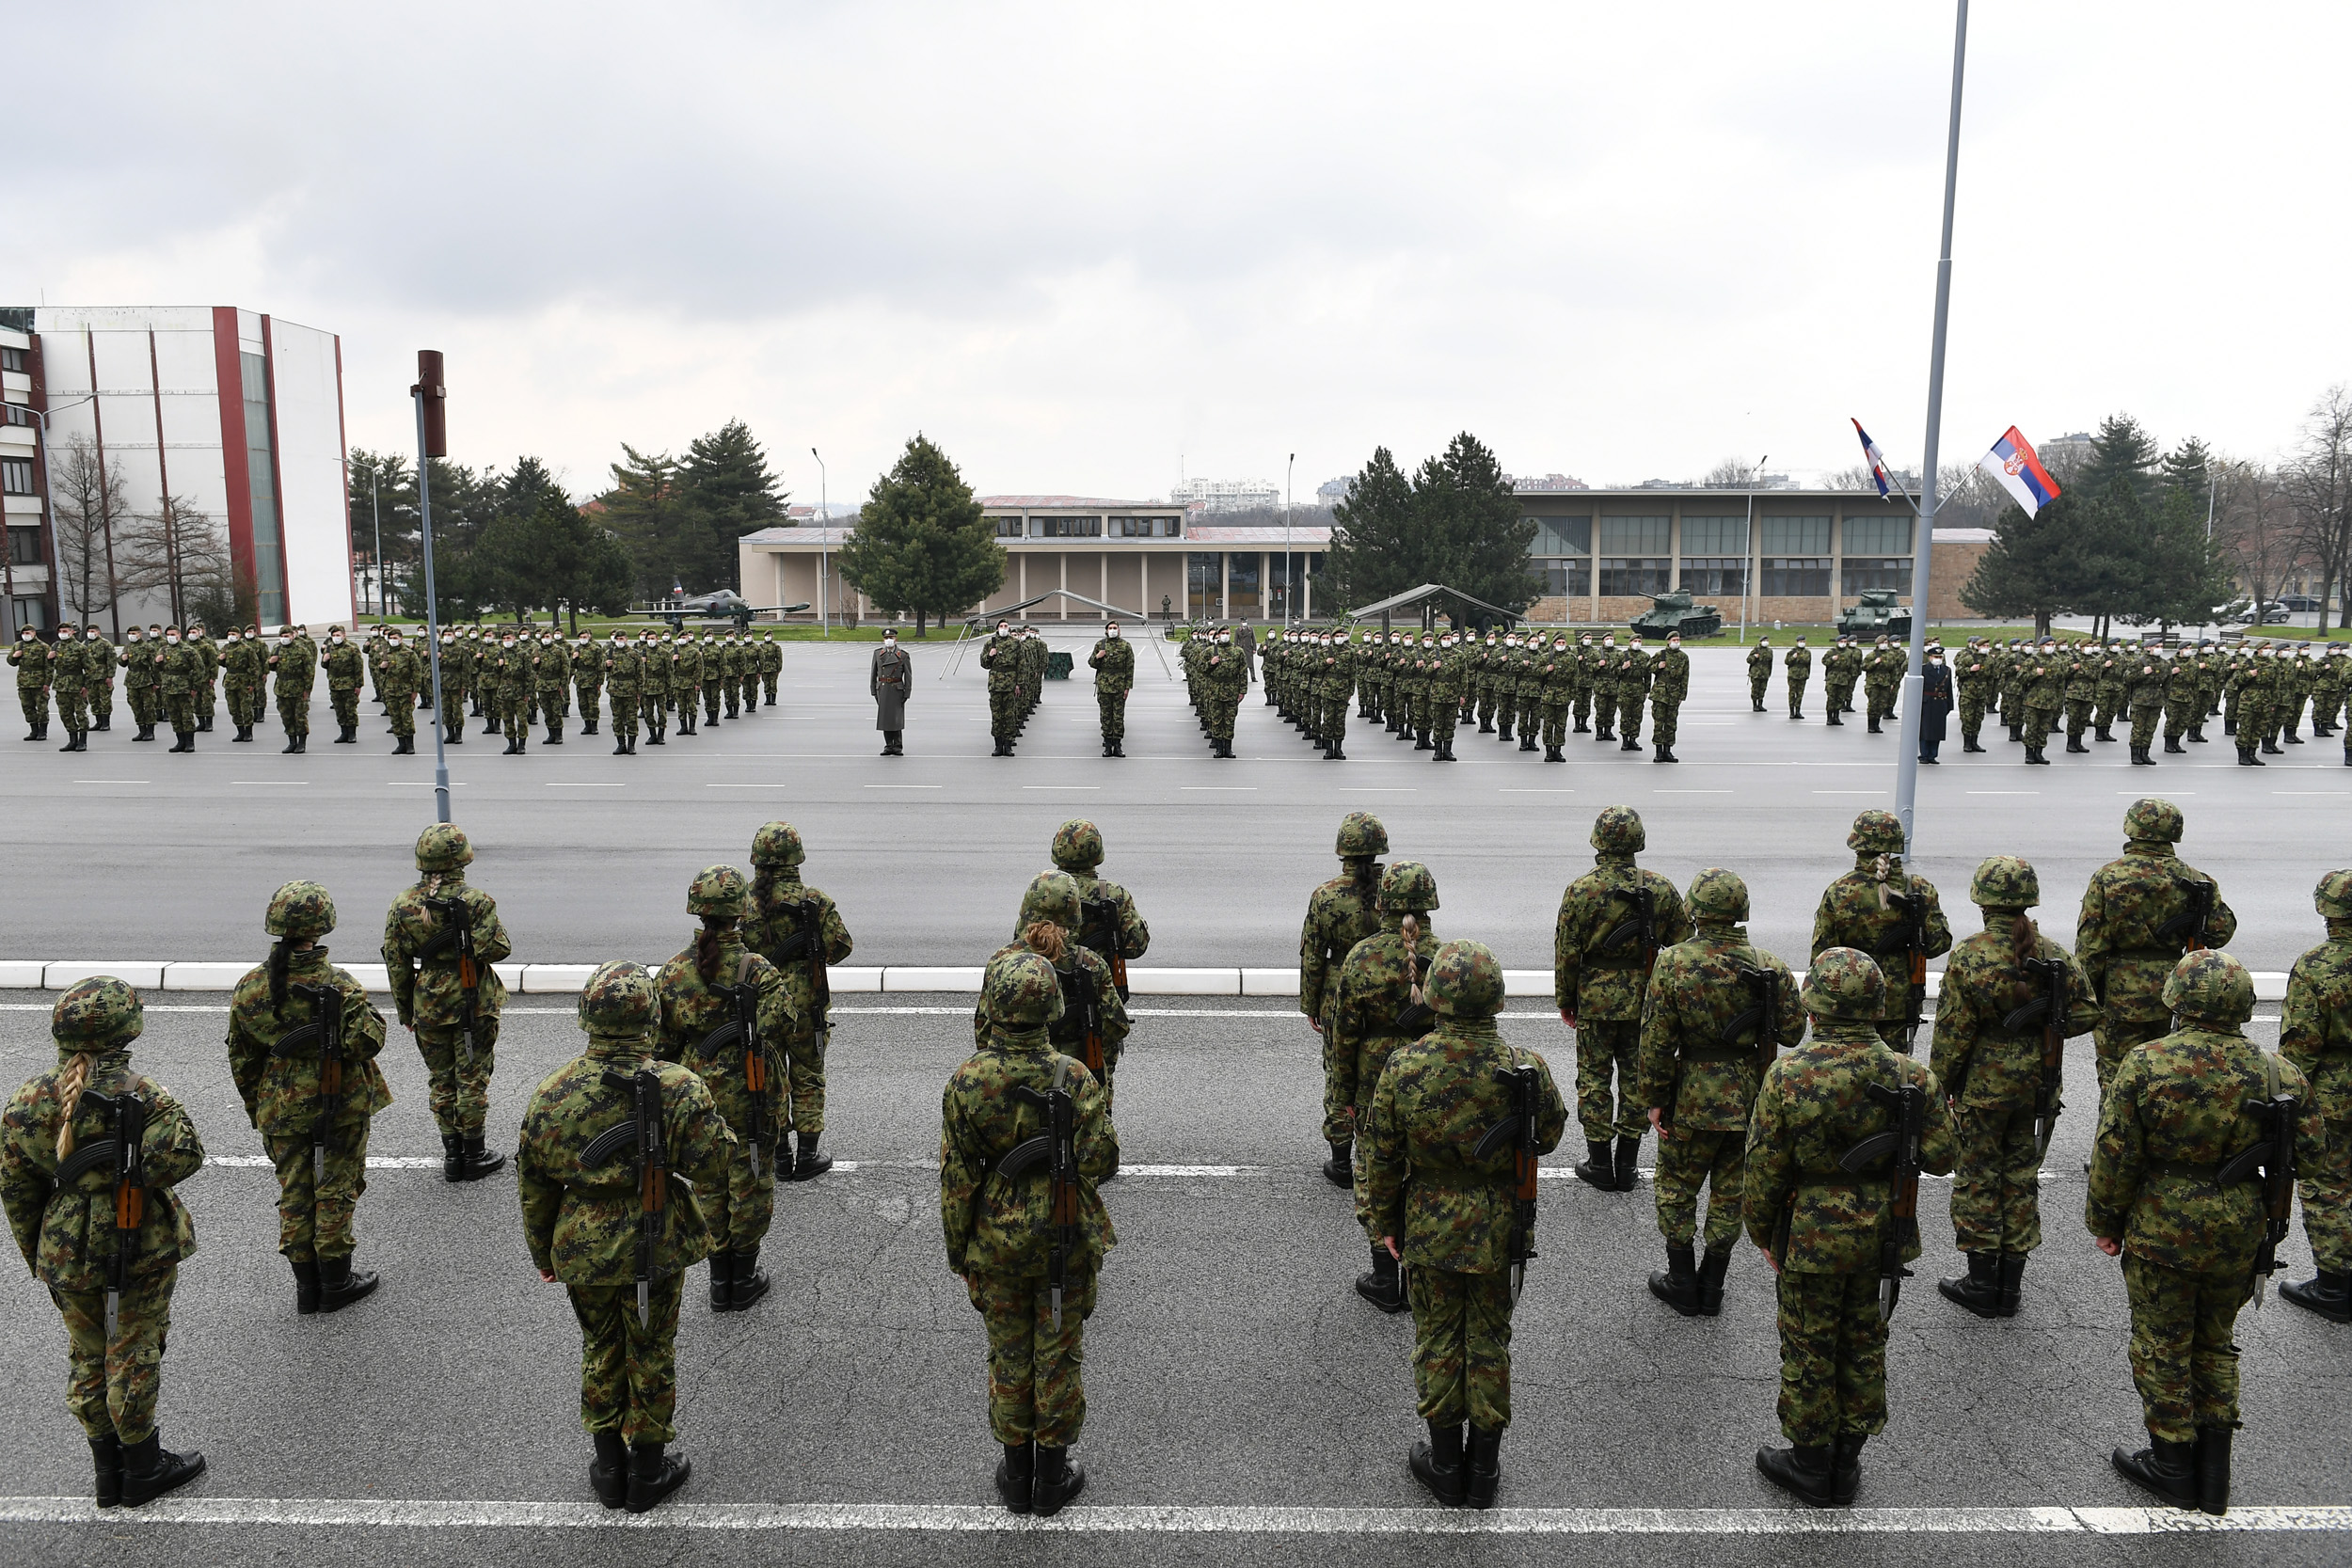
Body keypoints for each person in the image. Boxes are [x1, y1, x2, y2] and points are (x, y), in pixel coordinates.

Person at [2090, 949, 2323, 1516]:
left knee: (2162, 1343)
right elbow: (2313, 1155)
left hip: (2160, 1222)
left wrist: (2105, 1221)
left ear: (2177, 998)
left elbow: (2115, 1153)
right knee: (2215, 1342)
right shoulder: (2276, 1072)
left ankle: (2172, 1464)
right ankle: (2214, 1474)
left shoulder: (2146, 1062)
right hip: (2241, 1227)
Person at [1744, 947, 1958, 1508]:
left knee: (1809, 1345)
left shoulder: (1789, 1073)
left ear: (1813, 1005)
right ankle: (1847, 1460)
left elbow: (1765, 1165)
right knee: (1865, 1342)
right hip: (1883, 1232)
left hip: (1809, 1233)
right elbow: (1942, 1155)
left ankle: (1810, 1463)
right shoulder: (1911, 1075)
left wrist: (1764, 1233)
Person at [518, 959, 734, 1513]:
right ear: (652, 1016)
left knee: (600, 1346)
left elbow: (535, 1183)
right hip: (655, 1233)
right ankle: (648, 1469)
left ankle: (609, 1465)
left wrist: (543, 1250)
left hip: (583, 1242)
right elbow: (713, 1164)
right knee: (652, 1347)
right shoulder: (679, 1086)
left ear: (587, 1015)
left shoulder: (552, 1091)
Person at [1362, 939, 1565, 1510]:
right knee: (1490, 1340)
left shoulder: (1404, 1065)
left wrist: (1385, 1222)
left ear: (1435, 998)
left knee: (1438, 1340)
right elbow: (1547, 1137)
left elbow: (1380, 1153)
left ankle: (1445, 1462)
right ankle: (1485, 1471)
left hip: (1427, 1221)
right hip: (1501, 1226)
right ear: (1495, 999)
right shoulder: (1523, 1066)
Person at [0, 976, 208, 1509]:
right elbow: (184, 1157)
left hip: (65, 1249)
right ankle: (142, 1467)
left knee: (90, 1354)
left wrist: (40, 1261)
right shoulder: (143, 1093)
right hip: (138, 1238)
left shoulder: (26, 1100)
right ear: (126, 1028)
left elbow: (18, 1192)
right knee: (133, 1349)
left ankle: (106, 1470)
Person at [940, 948, 1118, 1518]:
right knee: (1059, 1354)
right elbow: (1103, 1160)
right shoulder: (1075, 1076)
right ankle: (1052, 1476)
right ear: (1052, 1006)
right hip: (1064, 1236)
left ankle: (1016, 1477)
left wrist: (959, 1254)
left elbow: (957, 1181)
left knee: (1009, 1356)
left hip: (994, 1241)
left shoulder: (967, 1081)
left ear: (993, 1005)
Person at [1928, 855, 2093, 1318]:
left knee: (1979, 1177)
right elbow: (2088, 1012)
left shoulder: (1971, 954)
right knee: (2020, 1180)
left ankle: (1982, 1284)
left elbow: (1953, 1031)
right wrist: (2045, 1021)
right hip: (2040, 1085)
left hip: (1983, 1088)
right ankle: (2010, 1287)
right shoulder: (2054, 953)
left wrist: (1940, 1083)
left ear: (1982, 901)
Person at [1635, 868, 1803, 1318]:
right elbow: (1792, 1032)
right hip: (1751, 1097)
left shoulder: (1673, 963)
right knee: (1731, 1193)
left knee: (1676, 1189)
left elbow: (1655, 1038)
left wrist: (1653, 1098)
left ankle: (1681, 1280)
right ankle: (1712, 1286)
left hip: (1689, 1096)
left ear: (1694, 910)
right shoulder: (1768, 965)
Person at [226, 880, 392, 1315]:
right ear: (322, 926)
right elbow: (368, 1041)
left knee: (295, 1193)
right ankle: (336, 1283)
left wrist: (257, 1111)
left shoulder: (250, 987)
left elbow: (242, 1060)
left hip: (280, 1109)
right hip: (339, 1104)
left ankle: (306, 1288)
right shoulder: (336, 982)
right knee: (334, 1191)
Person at [657, 867, 794, 1312]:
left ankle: (720, 1280)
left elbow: (662, 1047)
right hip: (754, 1089)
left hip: (698, 1095)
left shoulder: (675, 971)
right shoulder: (757, 969)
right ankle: (744, 1273)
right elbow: (786, 1025)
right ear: (741, 913)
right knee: (751, 1180)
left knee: (709, 1181)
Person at [1554, 806, 1692, 1193]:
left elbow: (1567, 951)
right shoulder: (1661, 888)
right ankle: (1627, 1164)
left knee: (1594, 1079)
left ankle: (1600, 1163)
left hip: (1595, 1001)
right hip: (1645, 1001)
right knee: (1636, 1078)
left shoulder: (1581, 889)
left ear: (1598, 841)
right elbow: (1683, 948)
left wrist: (1566, 999)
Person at [1327, 861, 1440, 1311]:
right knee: (1424, 1171)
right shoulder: (1451, 957)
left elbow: (1344, 1035)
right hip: (1433, 1080)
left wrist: (1344, 1095)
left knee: (1374, 1169)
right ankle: (1418, 1273)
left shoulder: (1361, 957)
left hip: (1375, 1081)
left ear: (1383, 902)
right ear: (1430, 901)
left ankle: (1384, 1275)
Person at [2074, 799, 2237, 1105]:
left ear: (2131, 828)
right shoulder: (2196, 879)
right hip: (2176, 992)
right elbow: (2221, 931)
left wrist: (2091, 998)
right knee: (2171, 1083)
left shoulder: (2108, 877)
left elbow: (2090, 947)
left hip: (2120, 995)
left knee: (2117, 1082)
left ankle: (2116, 1148)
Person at [383, 824, 513, 1182]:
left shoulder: (403, 904)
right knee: (471, 1077)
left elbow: (396, 962)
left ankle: (452, 1155)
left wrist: (406, 1011)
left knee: (441, 1079)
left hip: (428, 1004)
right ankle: (474, 1154)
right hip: (474, 1001)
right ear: (463, 858)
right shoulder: (477, 901)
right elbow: (498, 949)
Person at [976, 873, 1132, 1140]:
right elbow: (1116, 1028)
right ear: (1074, 914)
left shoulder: (1002, 961)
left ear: (1027, 911)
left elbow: (983, 1032)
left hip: (1012, 1085)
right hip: (1075, 1080)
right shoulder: (1091, 964)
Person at [745, 821, 855, 1179]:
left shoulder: (745, 902)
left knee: (768, 1079)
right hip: (807, 1005)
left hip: (762, 1004)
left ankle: (779, 1157)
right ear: (796, 859)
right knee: (808, 1075)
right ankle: (807, 1157)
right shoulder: (814, 901)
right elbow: (841, 948)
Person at [1809, 811, 1952, 1053]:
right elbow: (1940, 942)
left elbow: (1822, 957)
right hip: (1899, 1004)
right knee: (1894, 1072)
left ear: (1857, 844)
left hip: (1849, 1001)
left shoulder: (1840, 891)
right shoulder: (1918, 887)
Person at [2276, 869, 2352, 1323]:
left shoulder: (2317, 966)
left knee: (2329, 1187)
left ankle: (2335, 1287)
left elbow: (2301, 1046)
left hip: (2336, 1095)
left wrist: (2285, 1101)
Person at [1302, 813, 1389, 1180]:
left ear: (1343, 851)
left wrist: (1310, 1004)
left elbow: (1312, 955)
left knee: (1340, 1075)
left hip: (1338, 994)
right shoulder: (1394, 889)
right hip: (1388, 992)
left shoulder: (1326, 895)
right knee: (1385, 1072)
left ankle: (1340, 1162)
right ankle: (1382, 1157)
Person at [1087, 621, 1134, 757]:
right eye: (1110, 628)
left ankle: (1117, 745)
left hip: (1119, 686)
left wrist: (1127, 687)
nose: (1112, 630)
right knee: (1106, 717)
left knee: (1118, 717)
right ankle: (1107, 744)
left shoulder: (1125, 646)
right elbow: (1091, 663)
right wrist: (1098, 656)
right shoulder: (1100, 645)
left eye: (1115, 628)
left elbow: (1130, 668)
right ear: (1106, 631)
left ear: (1119, 630)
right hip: (1104, 686)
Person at [271, 625, 318, 753]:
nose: (284, 639)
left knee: (300, 717)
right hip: (282, 687)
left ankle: (301, 743)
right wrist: (271, 662)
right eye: (282, 636)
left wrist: (307, 690)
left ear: (292, 636)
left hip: (298, 687)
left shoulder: (301, 649)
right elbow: (269, 667)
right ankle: (291, 742)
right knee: (286, 716)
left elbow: (309, 671)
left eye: (287, 636)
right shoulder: (277, 648)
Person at [379, 628, 422, 754]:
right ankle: (400, 744)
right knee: (395, 718)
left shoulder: (409, 653)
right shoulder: (385, 653)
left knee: (406, 717)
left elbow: (417, 673)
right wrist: (382, 667)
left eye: (395, 638)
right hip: (390, 690)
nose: (393, 641)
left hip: (405, 690)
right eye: (391, 638)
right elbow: (381, 672)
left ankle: (410, 745)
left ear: (401, 639)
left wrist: (415, 691)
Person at [1648, 629, 1689, 762]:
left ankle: (1668, 750)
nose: (1676, 643)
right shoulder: (1661, 654)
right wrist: (1658, 666)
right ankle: (1658, 751)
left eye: (1678, 640)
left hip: (1674, 693)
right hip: (1660, 693)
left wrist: (1682, 695)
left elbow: (1685, 677)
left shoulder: (1683, 657)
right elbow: (1647, 668)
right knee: (1659, 723)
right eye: (1674, 640)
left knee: (1671, 723)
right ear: (1668, 641)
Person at [10, 622, 55, 741]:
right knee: (27, 707)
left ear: (34, 633)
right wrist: (15, 656)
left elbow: (49, 666)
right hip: (23, 682)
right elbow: (11, 662)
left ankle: (43, 731)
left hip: (39, 681)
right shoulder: (18, 645)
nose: (26, 635)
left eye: (28, 633)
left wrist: (47, 683)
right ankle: (34, 730)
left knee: (42, 707)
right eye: (24, 633)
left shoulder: (43, 646)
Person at [603, 630, 642, 754]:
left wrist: (639, 691)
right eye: (617, 638)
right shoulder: (610, 653)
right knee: (617, 718)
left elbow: (641, 673)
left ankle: (631, 745)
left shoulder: (634, 654)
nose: (620, 641)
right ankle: (621, 744)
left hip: (630, 689)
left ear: (626, 639)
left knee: (631, 718)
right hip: (615, 689)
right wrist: (606, 665)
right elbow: (601, 669)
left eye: (622, 638)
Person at [324, 626, 364, 743]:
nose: (336, 638)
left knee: (350, 709)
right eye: (334, 635)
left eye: (338, 635)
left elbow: (358, 667)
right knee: (339, 710)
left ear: (344, 635)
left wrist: (358, 685)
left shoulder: (351, 648)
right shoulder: (329, 648)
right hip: (335, 684)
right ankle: (343, 733)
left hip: (349, 683)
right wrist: (325, 660)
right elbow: (324, 665)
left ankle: (352, 734)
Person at [1917, 644, 1952, 762]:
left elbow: (1949, 689)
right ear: (1930, 657)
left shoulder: (1946, 670)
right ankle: (1924, 754)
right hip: (1927, 702)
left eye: (1940, 657)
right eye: (1935, 656)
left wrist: (1949, 705)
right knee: (1925, 730)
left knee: (1937, 730)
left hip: (1940, 703)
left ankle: (1933, 755)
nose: (1938, 659)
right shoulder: (1923, 669)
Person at [1785, 634, 1811, 721]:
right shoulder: (1792, 652)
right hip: (1793, 676)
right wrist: (1793, 657)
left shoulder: (1807, 652)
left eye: (1803, 642)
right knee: (1792, 694)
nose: (1802, 643)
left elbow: (1808, 663)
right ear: (1797, 642)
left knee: (1800, 694)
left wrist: (1807, 674)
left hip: (1802, 675)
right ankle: (1792, 712)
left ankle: (1798, 711)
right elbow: (1787, 662)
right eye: (1800, 642)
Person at [1747, 636, 1773, 713]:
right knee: (1755, 690)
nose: (1766, 642)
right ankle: (1755, 705)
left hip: (1764, 673)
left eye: (1767, 640)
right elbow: (1748, 660)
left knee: (1762, 689)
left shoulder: (1769, 651)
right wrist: (1754, 657)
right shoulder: (1756, 650)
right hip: (1756, 673)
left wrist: (1769, 673)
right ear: (1761, 641)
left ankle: (1760, 705)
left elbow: (1770, 663)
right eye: (1764, 640)